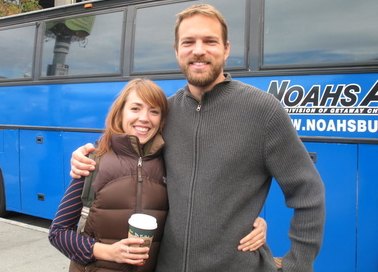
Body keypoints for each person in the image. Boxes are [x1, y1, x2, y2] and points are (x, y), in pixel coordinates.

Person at [70, 4, 325, 271]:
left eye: (210, 41)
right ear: (177, 51)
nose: (199, 50)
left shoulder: (263, 110)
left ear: (226, 49)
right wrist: (85, 156)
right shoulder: (165, 114)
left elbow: (309, 194)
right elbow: (126, 154)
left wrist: (297, 265)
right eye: (188, 42)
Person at [50, 78, 268, 272]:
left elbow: (202, 205)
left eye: (154, 111)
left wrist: (249, 220)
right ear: (121, 113)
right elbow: (58, 233)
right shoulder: (92, 161)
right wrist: (107, 252)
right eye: (135, 109)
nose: (144, 118)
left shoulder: (170, 163)